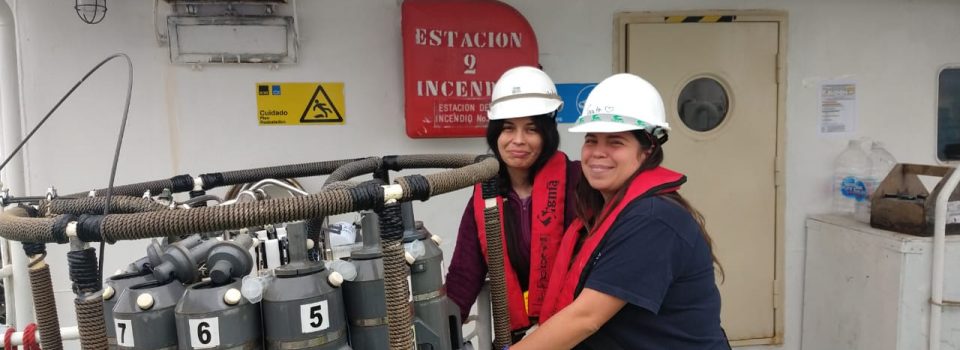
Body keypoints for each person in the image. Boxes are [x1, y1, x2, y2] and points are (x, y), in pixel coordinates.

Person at [510, 73, 729, 349]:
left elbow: (586, 318)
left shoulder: (653, 219)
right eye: (591, 140)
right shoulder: (602, 211)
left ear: (648, 150)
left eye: (615, 142)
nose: (598, 153)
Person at [445, 66, 582, 341]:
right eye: (508, 128)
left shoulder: (579, 182)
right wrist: (435, 333)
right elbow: (463, 275)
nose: (518, 140)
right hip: (517, 336)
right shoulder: (485, 194)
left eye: (531, 129)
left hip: (575, 330)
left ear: (548, 133)